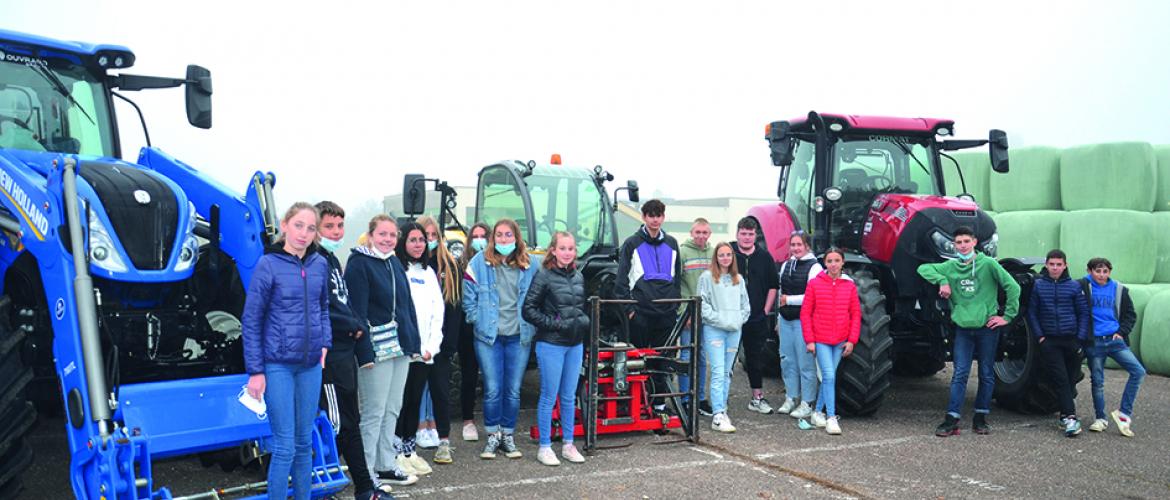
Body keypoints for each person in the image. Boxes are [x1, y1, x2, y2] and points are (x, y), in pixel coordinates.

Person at [242, 202, 331, 500]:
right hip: (278, 365)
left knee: (305, 443)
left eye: (311, 228)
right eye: (298, 225)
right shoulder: (268, 264)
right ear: (284, 225)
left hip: (309, 366)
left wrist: (323, 343)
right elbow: (251, 320)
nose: (304, 234)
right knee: (284, 446)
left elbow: (323, 308)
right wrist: (256, 371)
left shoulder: (320, 264)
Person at [314, 201, 391, 499]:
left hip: (345, 352)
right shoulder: (315, 261)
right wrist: (352, 323)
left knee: (350, 421)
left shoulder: (333, 260)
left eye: (339, 226)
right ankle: (324, 486)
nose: (336, 232)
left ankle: (364, 488)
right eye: (329, 226)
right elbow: (322, 309)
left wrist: (356, 324)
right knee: (336, 423)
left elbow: (342, 302)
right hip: (330, 355)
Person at [919, 226, 1020, 437]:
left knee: (986, 373)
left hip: (987, 329)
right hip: (963, 330)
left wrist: (1007, 317)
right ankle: (952, 419)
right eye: (958, 242)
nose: (963, 246)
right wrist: (943, 281)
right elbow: (923, 269)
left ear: (974, 242)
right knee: (960, 374)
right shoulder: (950, 266)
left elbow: (1013, 287)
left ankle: (980, 418)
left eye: (966, 241)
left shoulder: (988, 264)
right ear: (954, 245)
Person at [347, 215, 421, 486]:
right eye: (383, 234)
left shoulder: (394, 263)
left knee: (392, 408)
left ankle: (386, 464)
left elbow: (407, 306)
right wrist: (364, 353)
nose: (388, 239)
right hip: (375, 351)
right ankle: (366, 472)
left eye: (392, 235)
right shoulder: (359, 265)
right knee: (373, 411)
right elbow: (357, 312)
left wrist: (414, 343)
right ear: (370, 234)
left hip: (399, 348)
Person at [463, 218, 541, 459]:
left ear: (516, 238)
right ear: (492, 238)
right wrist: (478, 319)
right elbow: (468, 299)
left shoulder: (532, 265)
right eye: (499, 235)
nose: (504, 240)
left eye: (509, 235)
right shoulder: (478, 263)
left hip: (519, 336)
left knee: (513, 390)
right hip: (489, 337)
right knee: (493, 389)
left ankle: (508, 435)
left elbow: (539, 297)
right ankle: (492, 435)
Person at [523, 231, 590, 466]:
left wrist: (583, 322)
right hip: (550, 344)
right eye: (562, 248)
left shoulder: (579, 277)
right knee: (549, 397)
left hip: (574, 345)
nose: (567, 253)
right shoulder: (543, 276)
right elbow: (528, 309)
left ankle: (568, 445)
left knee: (569, 397)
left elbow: (580, 307)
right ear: (553, 250)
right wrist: (555, 324)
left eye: (571, 248)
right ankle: (545, 446)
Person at [613, 199, 682, 412]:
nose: (655, 219)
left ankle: (659, 404)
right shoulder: (631, 243)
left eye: (658, 215)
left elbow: (677, 278)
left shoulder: (672, 243)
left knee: (662, 361)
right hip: (641, 315)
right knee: (637, 361)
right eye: (651, 215)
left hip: (666, 315)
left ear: (663, 217)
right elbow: (621, 282)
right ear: (644, 217)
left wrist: (674, 306)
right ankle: (636, 405)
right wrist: (630, 312)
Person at [393, 222, 443, 476]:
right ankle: (395, 453)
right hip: (402, 352)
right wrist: (409, 347)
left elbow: (438, 311)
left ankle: (409, 450)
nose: (418, 244)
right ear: (403, 242)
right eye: (412, 240)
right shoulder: (396, 269)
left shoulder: (429, 272)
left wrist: (431, 347)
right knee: (399, 403)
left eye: (421, 240)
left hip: (424, 353)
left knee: (413, 402)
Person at [1025, 249, 1089, 437]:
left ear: (1065, 266)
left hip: (1071, 340)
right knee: (1060, 378)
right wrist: (1040, 337)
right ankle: (1070, 417)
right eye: (1051, 264)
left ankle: (1063, 414)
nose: (1055, 268)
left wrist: (1080, 338)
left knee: (1070, 379)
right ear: (1046, 265)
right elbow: (1032, 312)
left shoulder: (1074, 286)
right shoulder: (1038, 286)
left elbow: (1084, 313)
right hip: (1050, 340)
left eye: (1058, 264)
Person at [1079, 257, 1145, 437]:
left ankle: (1124, 414)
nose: (1101, 275)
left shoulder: (1119, 289)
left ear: (1109, 272)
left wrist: (1122, 332)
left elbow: (1130, 314)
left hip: (1115, 340)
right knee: (1098, 382)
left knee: (1138, 371)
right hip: (1095, 342)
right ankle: (1100, 418)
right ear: (1089, 271)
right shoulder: (1082, 287)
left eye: (1105, 271)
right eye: (1097, 271)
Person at [415, 215, 463, 464]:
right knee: (413, 393)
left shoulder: (450, 266)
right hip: (417, 344)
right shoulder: (411, 266)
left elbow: (454, 308)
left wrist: (448, 346)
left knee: (441, 393)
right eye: (426, 236)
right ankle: (412, 434)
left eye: (434, 236)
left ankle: (444, 440)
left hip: (441, 345)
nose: (430, 241)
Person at [800, 248, 860, 436]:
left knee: (828, 377)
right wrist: (810, 340)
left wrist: (852, 340)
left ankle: (817, 412)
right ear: (825, 263)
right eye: (830, 261)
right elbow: (805, 313)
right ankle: (831, 417)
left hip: (840, 340)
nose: (833, 264)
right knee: (829, 376)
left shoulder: (849, 286)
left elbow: (856, 314)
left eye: (837, 260)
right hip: (821, 340)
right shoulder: (814, 284)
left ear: (843, 263)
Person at [698, 242, 751, 433]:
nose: (725, 258)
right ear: (716, 257)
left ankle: (724, 409)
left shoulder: (739, 279)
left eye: (729, 254)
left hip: (734, 332)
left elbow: (746, 305)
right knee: (719, 371)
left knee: (727, 372)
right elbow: (703, 305)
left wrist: (737, 320)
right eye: (721, 255)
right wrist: (720, 320)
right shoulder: (707, 278)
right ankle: (717, 415)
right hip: (715, 331)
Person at [731, 217, 779, 414]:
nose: (747, 237)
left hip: (756, 317)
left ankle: (757, 398)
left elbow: (773, 286)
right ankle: (720, 401)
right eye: (743, 233)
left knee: (755, 358)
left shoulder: (764, 257)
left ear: (755, 235)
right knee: (727, 360)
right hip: (731, 317)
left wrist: (765, 311)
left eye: (750, 234)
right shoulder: (729, 253)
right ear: (737, 234)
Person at [776, 231, 822, 420]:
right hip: (785, 320)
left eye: (799, 245)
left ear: (807, 246)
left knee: (806, 364)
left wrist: (790, 300)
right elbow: (780, 294)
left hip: (804, 322)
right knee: (787, 361)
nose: (795, 248)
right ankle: (791, 397)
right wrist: (778, 319)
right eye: (793, 245)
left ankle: (807, 402)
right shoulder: (787, 264)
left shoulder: (815, 268)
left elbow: (813, 297)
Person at [678, 218, 715, 416]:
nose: (701, 236)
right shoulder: (683, 252)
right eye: (698, 232)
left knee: (701, 357)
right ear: (692, 233)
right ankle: (684, 398)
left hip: (707, 315)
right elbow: (677, 283)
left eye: (705, 233)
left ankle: (699, 398)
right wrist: (683, 312)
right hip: (687, 313)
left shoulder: (712, 254)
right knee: (685, 355)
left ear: (709, 234)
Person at [458, 222, 491, 442]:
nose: (480, 240)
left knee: (492, 378)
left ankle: (492, 421)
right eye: (475, 236)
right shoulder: (461, 264)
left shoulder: (496, 263)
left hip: (492, 329)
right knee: (469, 375)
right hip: (467, 329)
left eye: (484, 236)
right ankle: (468, 420)